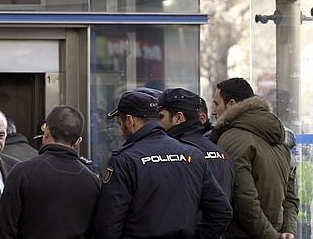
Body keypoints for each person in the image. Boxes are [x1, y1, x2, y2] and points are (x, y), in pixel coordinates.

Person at [94, 91, 232, 238]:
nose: (121, 132)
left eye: (120, 124)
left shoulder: (124, 160)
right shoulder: (193, 154)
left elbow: (108, 228)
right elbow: (222, 212)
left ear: (130, 120)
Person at [212, 77, 299, 239]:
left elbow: (244, 200)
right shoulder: (279, 137)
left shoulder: (231, 138)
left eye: (216, 104)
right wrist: (288, 231)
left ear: (231, 104)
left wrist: (272, 236)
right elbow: (290, 196)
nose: (213, 111)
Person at [0, 106, 100, 239]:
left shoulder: (22, 172)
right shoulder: (92, 180)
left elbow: (4, 230)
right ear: (78, 142)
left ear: (46, 132)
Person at [157, 88, 234, 200]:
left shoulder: (172, 156)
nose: (158, 123)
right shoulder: (221, 154)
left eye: (161, 117)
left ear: (178, 118)